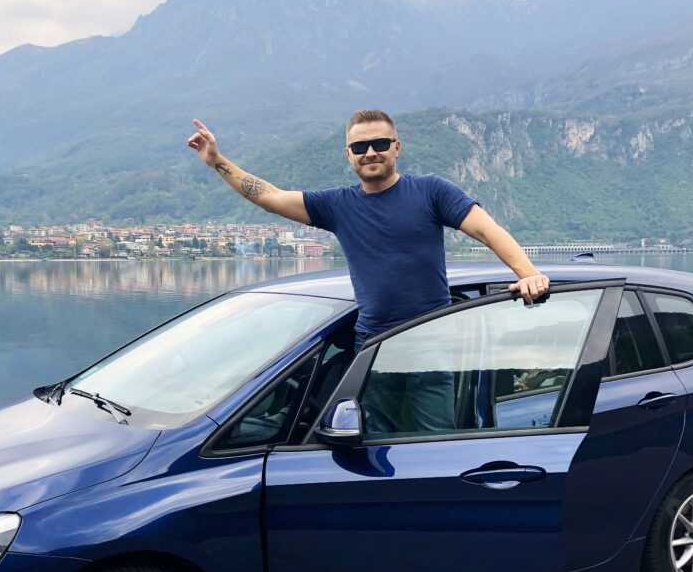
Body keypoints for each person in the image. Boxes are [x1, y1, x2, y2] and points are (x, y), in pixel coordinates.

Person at [186, 109, 550, 431]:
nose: (370, 152)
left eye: (379, 143)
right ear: (349, 155)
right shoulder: (337, 205)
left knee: (432, 441)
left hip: (431, 340)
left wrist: (528, 274)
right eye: (360, 147)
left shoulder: (431, 191)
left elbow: (487, 230)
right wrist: (216, 159)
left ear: (396, 147)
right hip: (372, 347)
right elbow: (268, 197)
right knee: (371, 441)